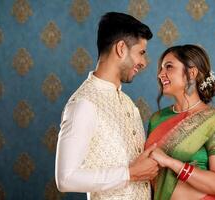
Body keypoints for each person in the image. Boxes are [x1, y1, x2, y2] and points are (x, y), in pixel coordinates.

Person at [55, 12, 159, 200]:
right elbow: (65, 179)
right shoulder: (83, 104)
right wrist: (129, 173)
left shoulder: (128, 104)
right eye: (141, 53)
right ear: (121, 48)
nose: (144, 62)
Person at [145, 44, 215, 200]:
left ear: (191, 73)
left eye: (169, 67)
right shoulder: (157, 119)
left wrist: (170, 162)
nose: (161, 74)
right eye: (161, 69)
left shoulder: (214, 123)